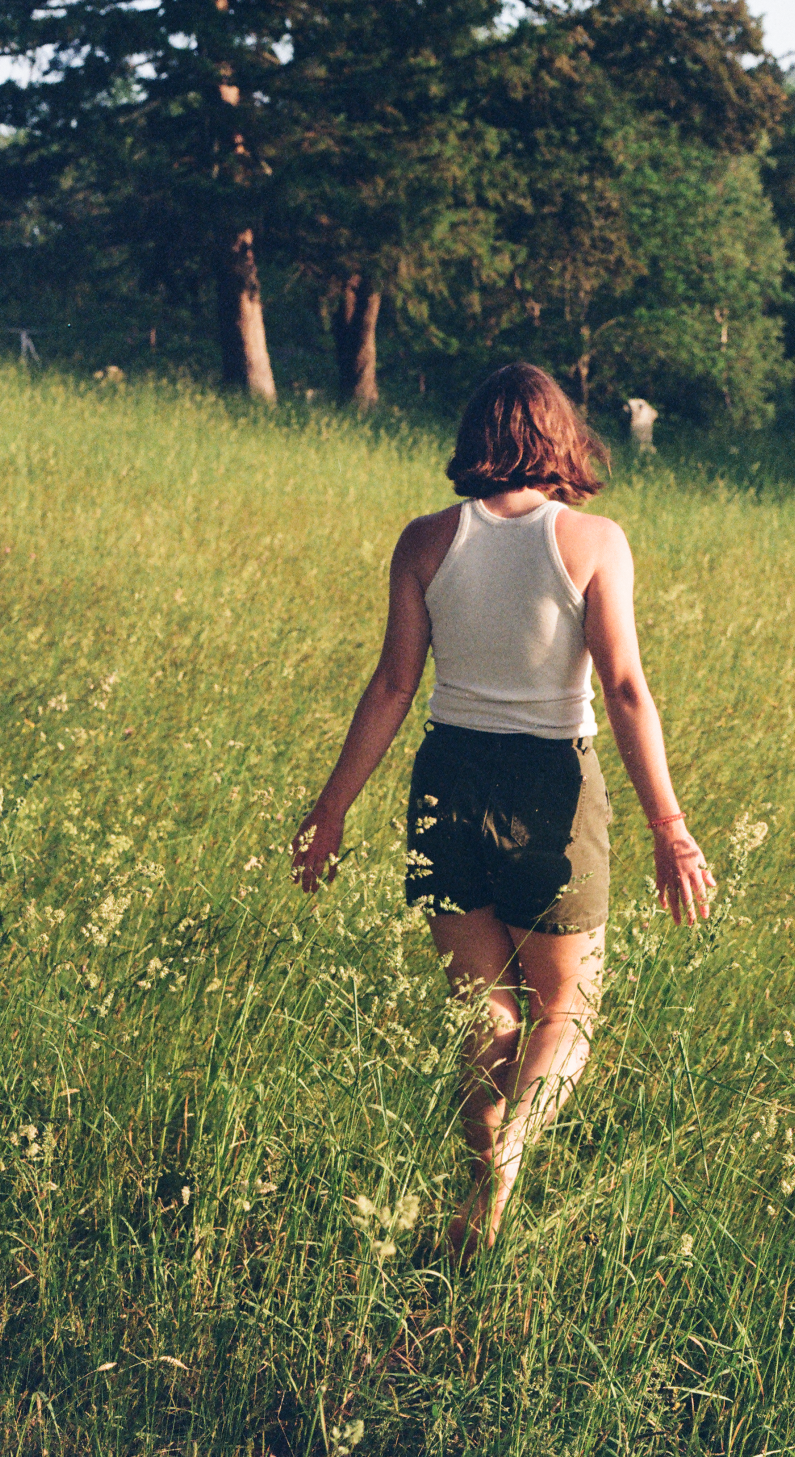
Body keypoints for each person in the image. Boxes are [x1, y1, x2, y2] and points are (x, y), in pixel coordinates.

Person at [292, 363, 713, 1257]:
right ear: (562, 438)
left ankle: (478, 1201)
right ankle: (512, 1147)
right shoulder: (594, 540)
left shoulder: (425, 541)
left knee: (486, 1011)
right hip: (550, 784)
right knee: (567, 1010)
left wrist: (330, 811)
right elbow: (625, 688)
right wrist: (670, 829)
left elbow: (394, 685)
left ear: (475, 436)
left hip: (447, 778)